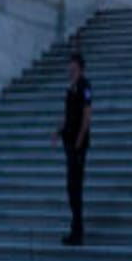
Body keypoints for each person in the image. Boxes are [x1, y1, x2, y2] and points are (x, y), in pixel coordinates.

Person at [52, 53, 92, 246]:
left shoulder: (85, 87)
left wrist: (79, 143)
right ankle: (76, 228)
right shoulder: (70, 89)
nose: (71, 71)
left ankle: (78, 231)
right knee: (71, 187)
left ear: (80, 68)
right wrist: (58, 131)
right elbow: (67, 115)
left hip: (78, 145)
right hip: (69, 142)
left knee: (75, 187)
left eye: (73, 68)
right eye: (70, 68)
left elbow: (86, 117)